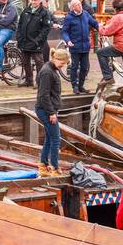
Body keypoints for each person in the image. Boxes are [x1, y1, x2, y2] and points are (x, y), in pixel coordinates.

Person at [34, 47, 70, 176]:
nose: (63, 66)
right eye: (62, 63)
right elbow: (44, 95)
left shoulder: (52, 69)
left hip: (49, 109)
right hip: (45, 110)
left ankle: (43, 165)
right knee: (56, 139)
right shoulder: (47, 72)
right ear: (55, 59)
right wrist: (51, 113)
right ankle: (55, 167)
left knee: (49, 138)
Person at [60, 0, 99, 94]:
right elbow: (64, 32)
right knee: (74, 66)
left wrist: (101, 27)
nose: (80, 6)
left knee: (84, 67)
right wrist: (68, 41)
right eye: (77, 5)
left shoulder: (85, 14)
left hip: (85, 46)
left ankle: (81, 86)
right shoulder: (69, 17)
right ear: (73, 7)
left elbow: (94, 23)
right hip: (75, 46)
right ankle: (75, 86)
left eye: (80, 4)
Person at [16, 0, 52, 89]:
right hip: (24, 41)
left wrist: (38, 40)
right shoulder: (26, 10)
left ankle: (39, 81)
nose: (33, 2)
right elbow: (19, 24)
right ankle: (29, 80)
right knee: (25, 62)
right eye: (31, 0)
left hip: (36, 42)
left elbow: (46, 28)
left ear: (39, 1)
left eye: (35, 0)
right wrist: (18, 37)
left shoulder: (44, 12)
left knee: (39, 62)